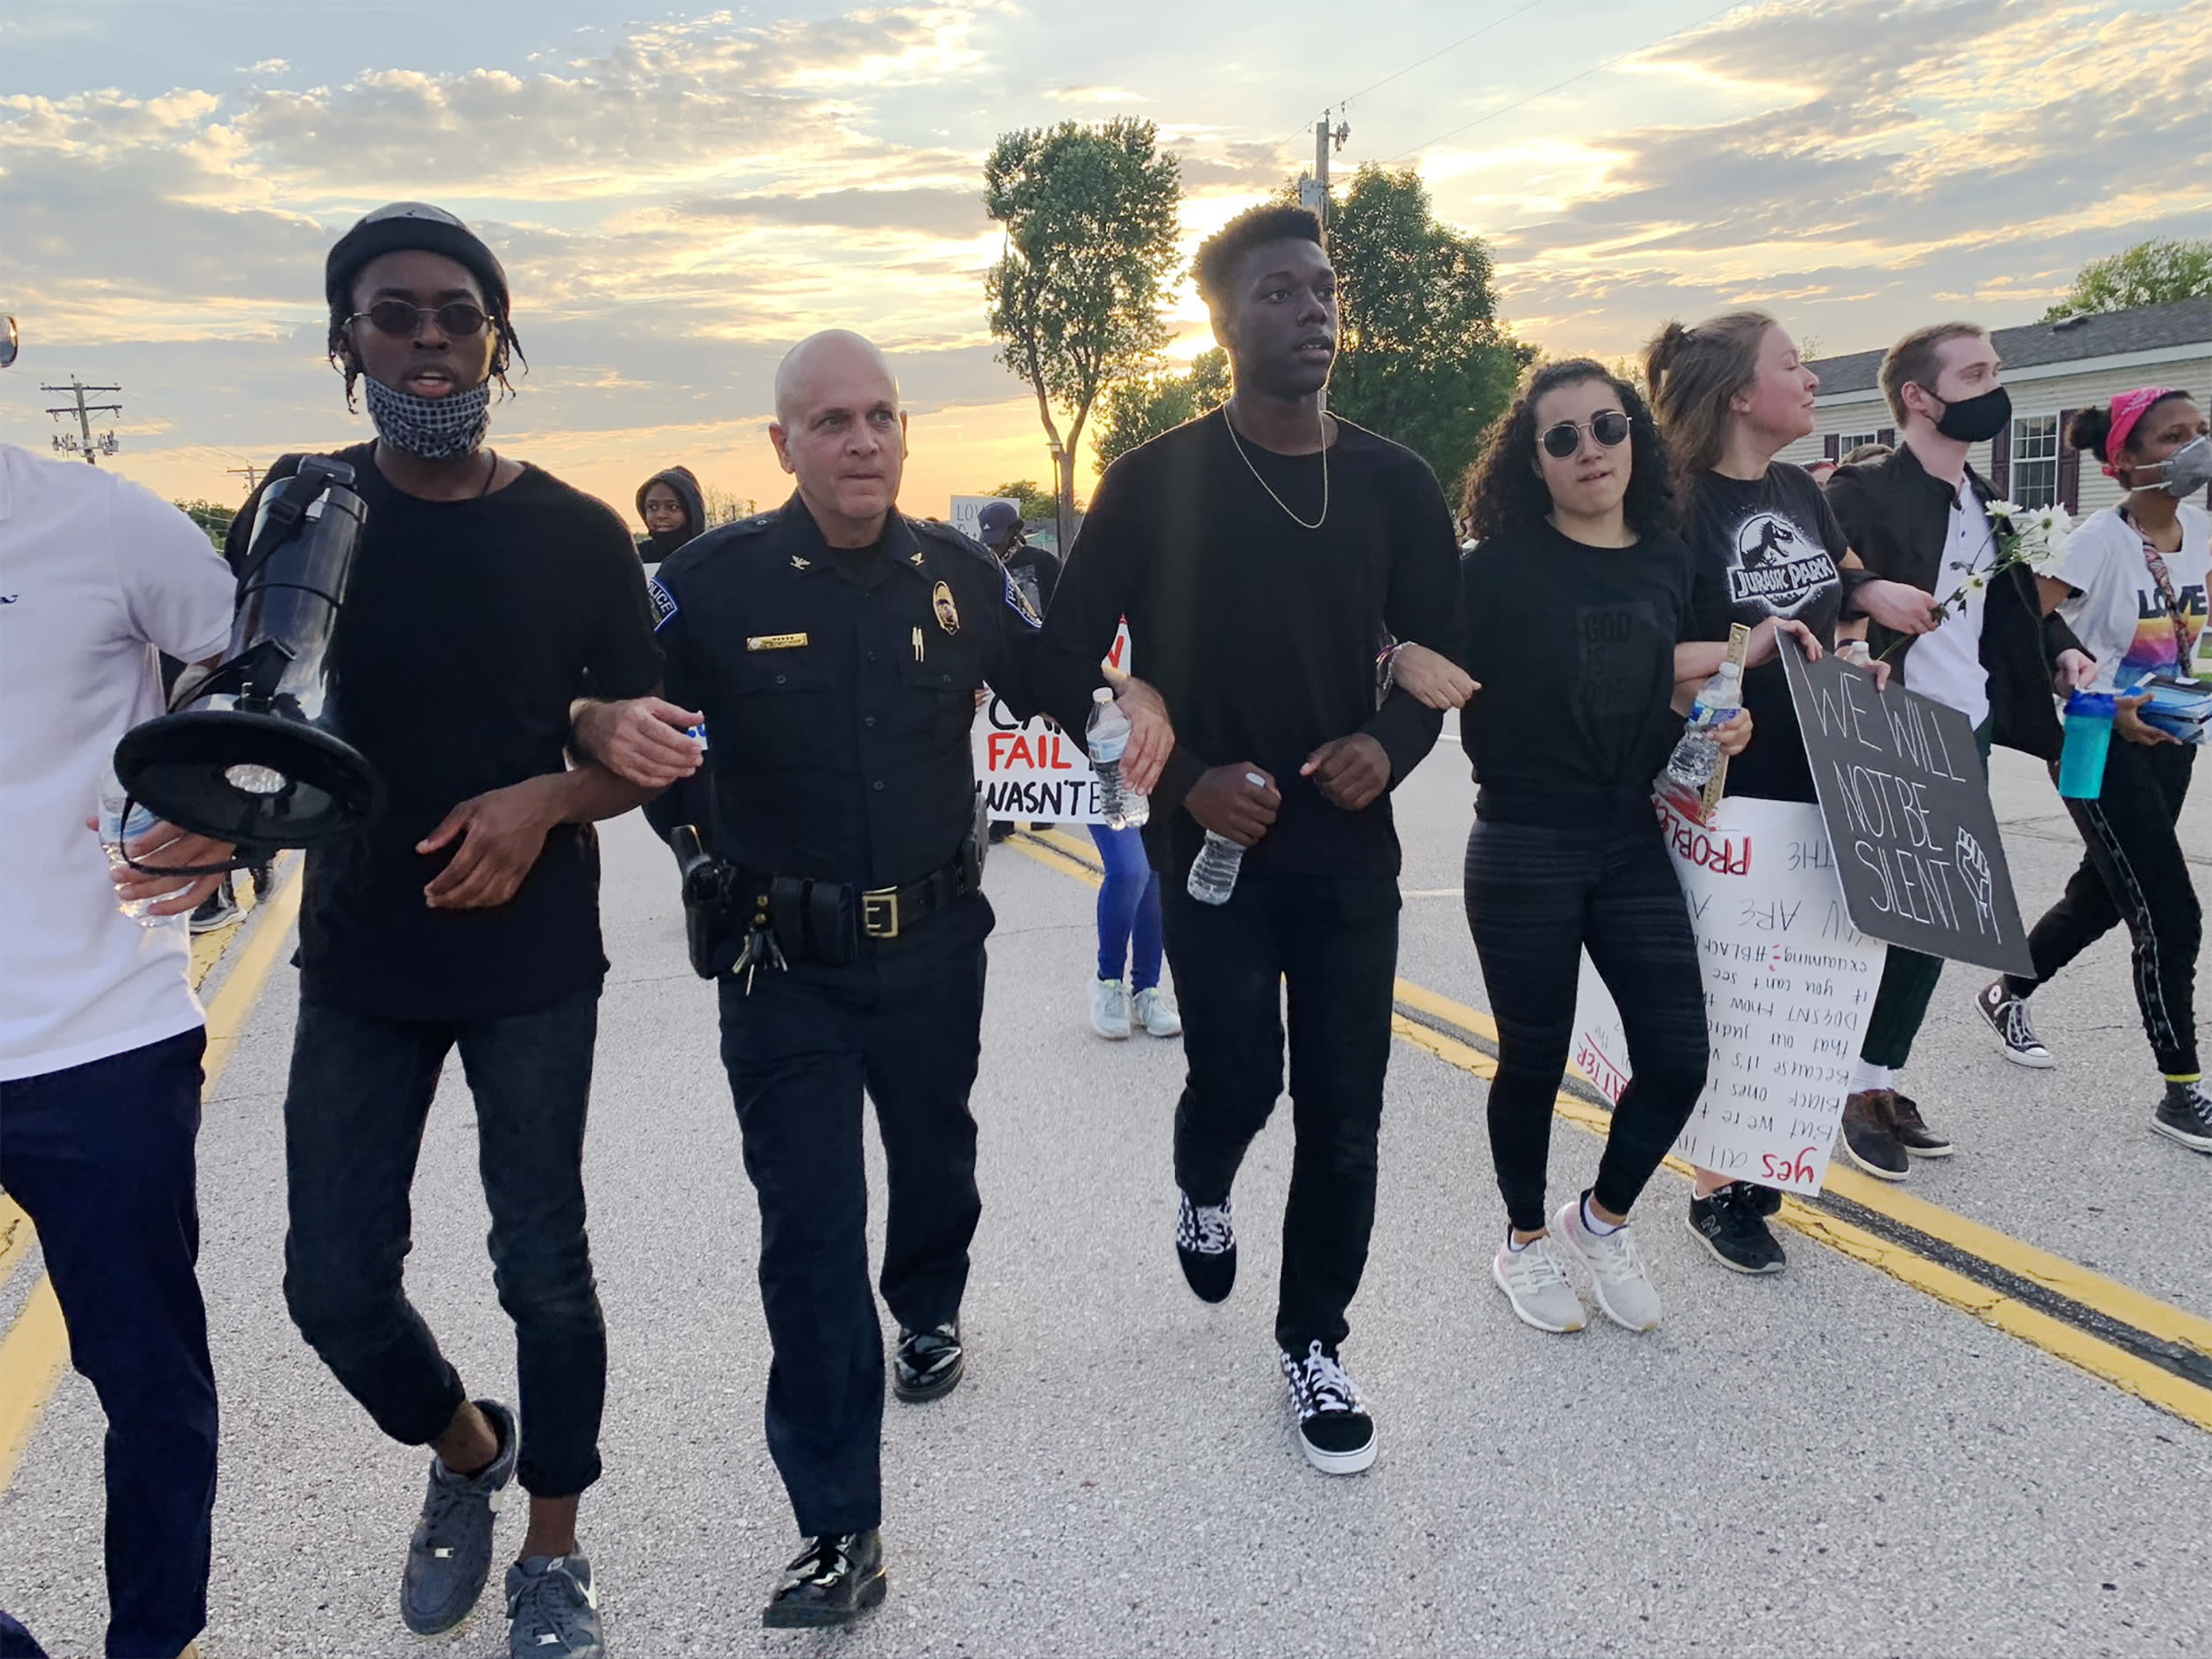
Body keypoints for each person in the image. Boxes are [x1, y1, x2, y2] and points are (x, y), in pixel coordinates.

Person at [568, 331, 1147, 1626]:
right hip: (784, 963)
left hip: (939, 943)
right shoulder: (705, 585)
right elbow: (614, 717)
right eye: (831, 421)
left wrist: (1130, 692)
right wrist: (685, 830)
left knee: (935, 1154)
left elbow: (1048, 681)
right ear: (783, 445)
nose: (863, 439)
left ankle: (930, 1301)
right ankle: (840, 1522)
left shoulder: (958, 573)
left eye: (881, 414)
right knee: (810, 1232)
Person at [235, 204, 662, 1659]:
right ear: (346, 345)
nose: (428, 339)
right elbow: (249, 698)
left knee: (544, 1266)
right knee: (331, 1283)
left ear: (502, 338)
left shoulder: (577, 534)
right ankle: (470, 1454)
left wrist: (543, 800)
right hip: (363, 951)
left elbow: (659, 748)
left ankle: (553, 1548)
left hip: (532, 961)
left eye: (457, 314)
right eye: (392, 313)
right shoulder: (303, 507)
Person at [1033, 204, 1459, 1476]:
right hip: (1208, 848)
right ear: (1222, 320)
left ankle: (1314, 1337)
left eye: (1323, 290)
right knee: (1239, 1079)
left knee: (1346, 1111)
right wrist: (1182, 778)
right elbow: (1058, 661)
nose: (1313, 310)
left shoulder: (1394, 482)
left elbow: (1438, 661)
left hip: (1346, 853)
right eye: (1278, 291)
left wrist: (1389, 743)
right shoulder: (1156, 479)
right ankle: (1202, 1185)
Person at [1426, 358, 1751, 1333]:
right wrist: (1396, 654)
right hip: (1524, 837)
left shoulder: (1666, 556)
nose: (1589, 451)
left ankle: (1600, 1220)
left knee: (1681, 1055)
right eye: (1560, 438)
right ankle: (1522, 1242)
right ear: (1531, 460)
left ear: (1634, 436)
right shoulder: (1490, 571)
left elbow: (1689, 682)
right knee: (1534, 1058)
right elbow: (1397, 639)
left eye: (1606, 428)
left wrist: (1723, 725)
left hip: (1629, 836)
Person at [1, 434, 236, 1659]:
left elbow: (278, 667)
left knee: (144, 1374)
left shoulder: (102, 522)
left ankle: (158, 1637)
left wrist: (223, 811)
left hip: (101, 1037)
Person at [1644, 310, 1928, 1270]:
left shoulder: (1801, 495)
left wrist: (1857, 659)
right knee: (1733, 992)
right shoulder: (1672, 506)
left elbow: (1829, 609)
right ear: (1736, 392)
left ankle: (1759, 1159)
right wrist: (1743, 650)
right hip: (1727, 784)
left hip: (1821, 774)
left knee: (1809, 982)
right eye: (1791, 365)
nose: (1810, 380)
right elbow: (1647, 661)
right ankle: (1716, 1187)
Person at [1824, 322, 2095, 1180]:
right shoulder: (1860, 490)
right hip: (1884, 721)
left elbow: (2020, 605)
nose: (1994, 383)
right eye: (1975, 371)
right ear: (1918, 395)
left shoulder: (1989, 503)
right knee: (1874, 916)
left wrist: (2060, 649)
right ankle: (1834, 1082)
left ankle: (1876, 1082)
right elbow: (1811, 577)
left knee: (1936, 919)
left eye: (1994, 369)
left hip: (1965, 726)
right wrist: (1866, 588)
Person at [1979, 388, 2210, 1148]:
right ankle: (2181, 1090)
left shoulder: (2202, 530)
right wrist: (2097, 699)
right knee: (2168, 913)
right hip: (2098, 746)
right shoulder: (2095, 543)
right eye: (2174, 436)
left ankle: (2008, 988)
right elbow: (2025, 622)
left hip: (2174, 737)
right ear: (2127, 461)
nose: (2194, 445)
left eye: (2199, 431)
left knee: (2103, 895)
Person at [977, 498, 1060, 616]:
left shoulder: (1043, 561)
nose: (992, 548)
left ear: (1013, 532)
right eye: (989, 542)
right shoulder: (984, 566)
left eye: (997, 541)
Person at [636, 465, 704, 563]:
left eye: (673, 507)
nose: (661, 515)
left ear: (691, 512)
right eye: (652, 507)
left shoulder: (711, 555)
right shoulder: (633, 558)